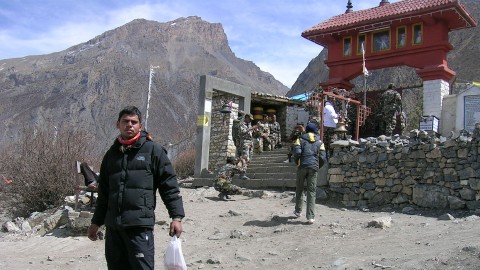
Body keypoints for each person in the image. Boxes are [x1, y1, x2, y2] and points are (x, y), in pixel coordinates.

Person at [87, 106, 185, 270]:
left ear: (140, 125)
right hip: (114, 229)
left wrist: (176, 217)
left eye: (134, 122)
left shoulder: (153, 150)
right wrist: (96, 222)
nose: (129, 125)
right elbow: (104, 194)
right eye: (125, 121)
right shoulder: (111, 155)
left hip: (139, 228)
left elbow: (169, 186)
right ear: (118, 124)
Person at [292, 122, 327, 225]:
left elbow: (297, 153)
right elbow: (322, 157)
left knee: (299, 188)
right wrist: (317, 166)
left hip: (302, 166)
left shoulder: (300, 139)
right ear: (315, 131)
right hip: (313, 168)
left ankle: (298, 211)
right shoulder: (320, 142)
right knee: (311, 191)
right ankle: (310, 217)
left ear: (306, 130)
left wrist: (298, 163)